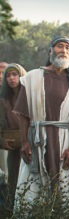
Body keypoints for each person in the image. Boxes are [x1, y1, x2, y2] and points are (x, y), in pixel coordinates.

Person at [13, 36, 69, 212]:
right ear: (50, 51)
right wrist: (24, 142)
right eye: (59, 46)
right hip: (36, 138)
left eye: (68, 48)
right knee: (31, 187)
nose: (64, 51)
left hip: (63, 140)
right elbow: (23, 113)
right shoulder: (32, 77)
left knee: (62, 186)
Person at [1, 64, 26, 210]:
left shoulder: (29, 96)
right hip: (13, 144)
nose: (11, 78)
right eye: (8, 75)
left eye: (15, 74)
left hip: (30, 143)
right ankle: (11, 211)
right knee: (12, 179)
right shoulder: (3, 100)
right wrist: (2, 141)